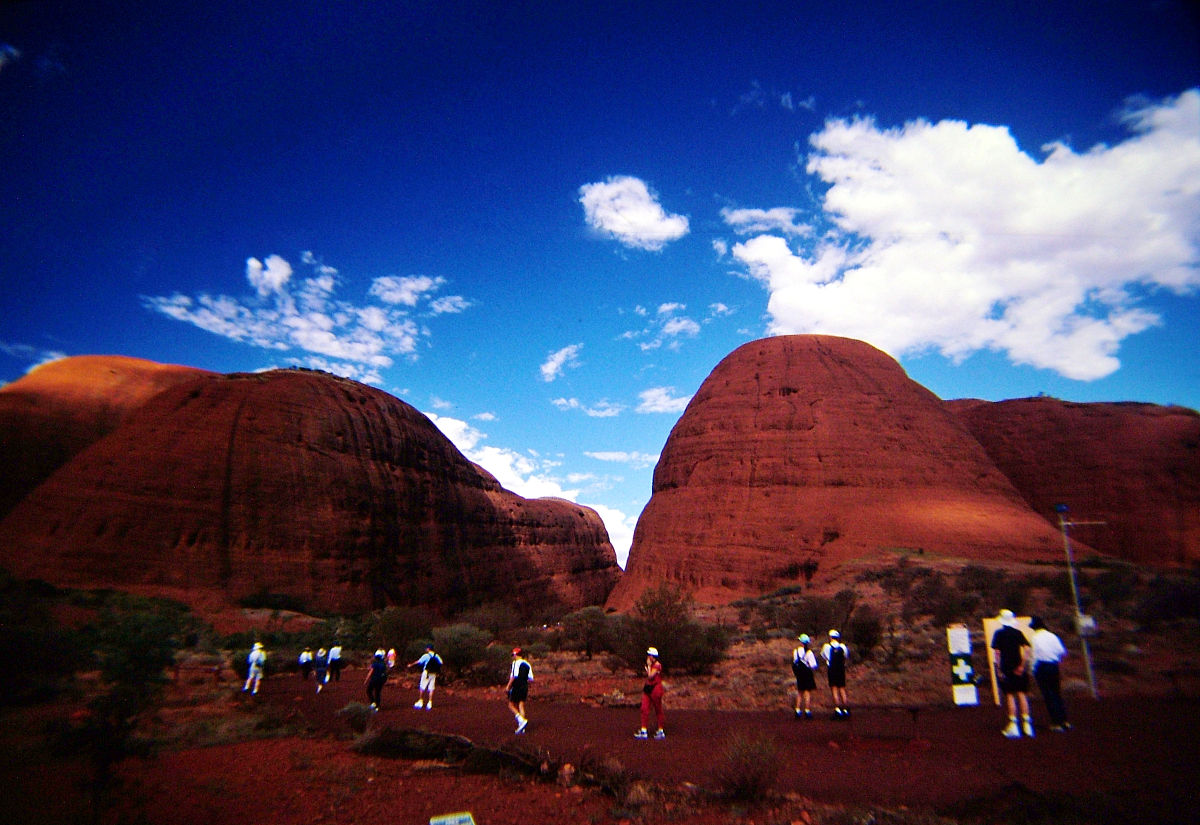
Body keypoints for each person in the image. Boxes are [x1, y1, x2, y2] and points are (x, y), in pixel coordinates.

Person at [991, 609, 1034, 737]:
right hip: (1018, 666)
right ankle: (1027, 725)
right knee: (1022, 694)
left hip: (1006, 667)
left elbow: (997, 653)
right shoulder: (1018, 633)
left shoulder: (999, 634)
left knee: (1010, 695)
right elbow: (1027, 648)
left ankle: (1013, 724)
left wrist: (998, 668)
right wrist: (1022, 664)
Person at [1030, 616, 1071, 732]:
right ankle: (1064, 721)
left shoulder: (1035, 638)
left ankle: (1056, 722)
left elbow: (1034, 655)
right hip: (1053, 665)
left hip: (1042, 667)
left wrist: (1033, 669)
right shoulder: (1053, 636)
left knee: (1048, 695)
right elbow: (1062, 651)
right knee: (1056, 693)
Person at [635, 647, 665, 739]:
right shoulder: (652, 665)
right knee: (644, 708)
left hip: (656, 689)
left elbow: (650, 676)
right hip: (648, 688)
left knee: (658, 709)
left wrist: (648, 667)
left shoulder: (657, 665)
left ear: (653, 656)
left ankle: (661, 731)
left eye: (649, 655)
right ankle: (643, 730)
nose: (648, 657)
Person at [821, 630, 850, 718]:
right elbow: (846, 656)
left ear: (830, 637)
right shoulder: (842, 646)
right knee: (842, 689)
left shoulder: (826, 646)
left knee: (834, 689)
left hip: (832, 669)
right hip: (841, 669)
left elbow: (824, 656)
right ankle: (845, 709)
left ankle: (837, 710)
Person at [505, 647, 533, 734]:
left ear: (516, 655)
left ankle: (521, 721)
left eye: (513, 655)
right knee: (521, 705)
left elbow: (514, 676)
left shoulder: (515, 663)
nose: (513, 656)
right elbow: (531, 678)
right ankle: (522, 728)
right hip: (524, 686)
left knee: (511, 705)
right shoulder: (527, 664)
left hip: (516, 685)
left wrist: (508, 686)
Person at [791, 634, 818, 719]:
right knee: (807, 693)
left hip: (800, 674)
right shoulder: (809, 652)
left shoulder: (796, 651)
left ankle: (797, 710)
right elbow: (814, 665)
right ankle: (807, 711)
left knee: (800, 692)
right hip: (807, 674)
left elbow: (795, 662)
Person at [409, 645, 444, 710]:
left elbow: (419, 662)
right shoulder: (436, 655)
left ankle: (420, 701)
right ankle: (430, 702)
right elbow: (441, 662)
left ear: (428, 649)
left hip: (426, 672)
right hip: (433, 673)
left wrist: (411, 664)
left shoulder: (426, 655)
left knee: (422, 686)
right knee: (431, 687)